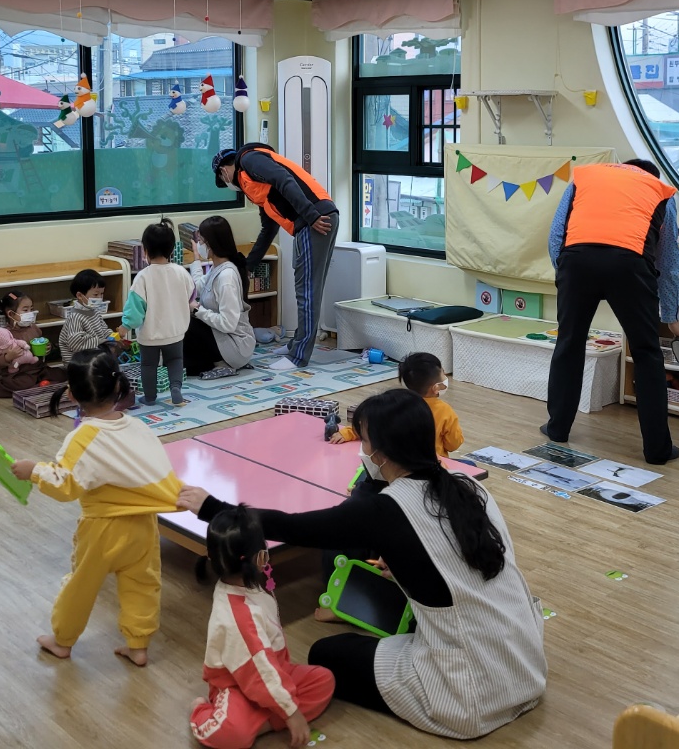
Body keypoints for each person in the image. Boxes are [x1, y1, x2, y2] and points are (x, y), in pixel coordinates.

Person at [177, 390, 546, 740]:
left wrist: (213, 508)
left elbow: (295, 527)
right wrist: (404, 567)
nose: (363, 450)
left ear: (383, 453)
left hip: (470, 695)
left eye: (365, 441)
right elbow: (463, 560)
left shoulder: (385, 510)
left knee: (326, 654)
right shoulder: (468, 485)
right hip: (524, 666)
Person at [11, 349, 183, 667]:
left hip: (102, 529)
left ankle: (62, 641)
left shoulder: (83, 437)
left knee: (81, 585)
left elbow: (65, 485)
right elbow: (158, 469)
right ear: (118, 387)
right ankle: (138, 645)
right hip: (143, 526)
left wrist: (34, 470)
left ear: (72, 394)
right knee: (143, 584)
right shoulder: (138, 427)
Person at [543, 158, 679, 464]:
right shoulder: (660, 191)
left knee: (569, 343)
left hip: (576, 261)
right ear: (650, 176)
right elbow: (669, 261)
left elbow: (556, 236)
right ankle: (657, 450)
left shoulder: (584, 177)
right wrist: (671, 318)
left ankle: (557, 429)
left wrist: (566, 273)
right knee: (647, 353)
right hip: (629, 266)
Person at [189, 506, 334, 749]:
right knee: (231, 735)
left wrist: (286, 703)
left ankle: (262, 721)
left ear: (211, 557)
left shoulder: (250, 587)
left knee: (323, 680)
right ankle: (201, 710)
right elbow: (259, 670)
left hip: (272, 670)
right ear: (261, 558)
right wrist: (291, 713)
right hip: (237, 685)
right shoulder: (237, 615)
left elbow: (268, 668)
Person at [213, 146, 338, 372]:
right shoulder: (253, 184)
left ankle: (298, 356)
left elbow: (284, 179)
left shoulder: (249, 160)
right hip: (311, 220)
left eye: (223, 179)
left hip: (314, 220)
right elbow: (269, 229)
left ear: (223, 171)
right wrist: (248, 266)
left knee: (307, 290)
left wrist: (311, 216)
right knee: (305, 287)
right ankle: (295, 344)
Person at [329, 352, 463, 458]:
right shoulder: (445, 411)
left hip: (400, 462)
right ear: (435, 388)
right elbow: (453, 445)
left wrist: (346, 433)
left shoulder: (397, 403)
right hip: (433, 466)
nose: (445, 376)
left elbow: (371, 424)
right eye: (443, 373)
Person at [121, 219, 192, 407]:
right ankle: (175, 388)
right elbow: (192, 295)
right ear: (172, 250)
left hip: (150, 335)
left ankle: (150, 397)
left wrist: (125, 326)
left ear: (145, 251)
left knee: (148, 365)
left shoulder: (143, 277)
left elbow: (135, 310)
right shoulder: (181, 272)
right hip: (175, 331)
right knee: (175, 360)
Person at [184, 215, 257, 379]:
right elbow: (196, 287)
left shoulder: (226, 277)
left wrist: (197, 311)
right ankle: (211, 362)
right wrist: (196, 258)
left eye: (201, 241)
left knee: (188, 324)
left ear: (210, 244)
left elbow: (228, 324)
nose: (199, 245)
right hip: (220, 337)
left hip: (235, 346)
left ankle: (222, 364)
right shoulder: (217, 268)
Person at [0, 289, 47, 397]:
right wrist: (8, 357)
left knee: (60, 374)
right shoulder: (3, 335)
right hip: (18, 373)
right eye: (25, 310)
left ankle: (37, 386)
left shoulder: (34, 328)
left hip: (38, 369)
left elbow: (40, 345)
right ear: (11, 313)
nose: (30, 313)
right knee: (21, 384)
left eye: (31, 309)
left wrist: (46, 348)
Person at [59, 268, 112, 359]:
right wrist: (102, 341)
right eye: (96, 295)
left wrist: (112, 337)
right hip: (79, 362)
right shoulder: (75, 317)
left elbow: (104, 330)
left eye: (102, 294)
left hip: (95, 356)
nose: (100, 298)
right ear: (80, 295)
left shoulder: (94, 312)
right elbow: (76, 343)